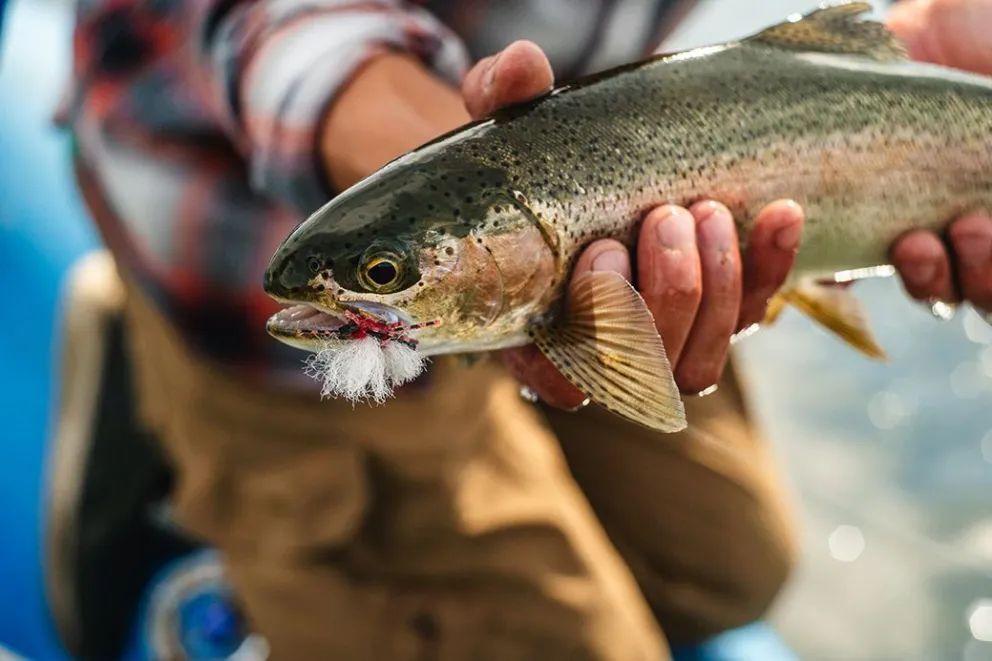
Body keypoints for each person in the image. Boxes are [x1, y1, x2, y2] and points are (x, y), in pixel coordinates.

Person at [51, 0, 992, 658]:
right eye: (386, 276)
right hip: (229, 250)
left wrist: (915, 43)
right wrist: (407, 186)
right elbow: (283, 21)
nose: (381, 281)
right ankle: (150, 382)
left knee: (731, 571)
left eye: (384, 276)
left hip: (565, 255)